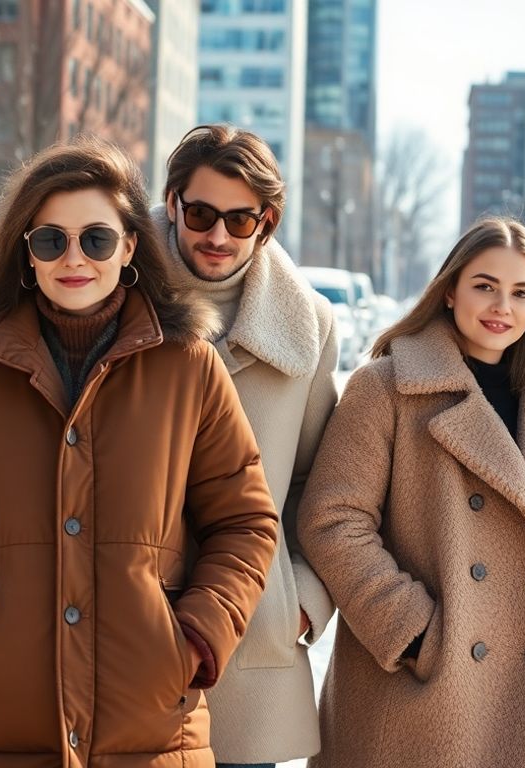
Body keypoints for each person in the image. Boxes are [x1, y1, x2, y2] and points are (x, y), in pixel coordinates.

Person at [0, 137, 279, 767]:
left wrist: (195, 636)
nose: (74, 257)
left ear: (128, 248)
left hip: (153, 733)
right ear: (26, 253)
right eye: (50, 240)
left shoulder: (190, 366)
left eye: (95, 238)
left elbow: (246, 523)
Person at [298, 218, 525, 768]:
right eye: (485, 285)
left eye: (521, 292)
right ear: (451, 289)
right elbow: (332, 520)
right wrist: (414, 631)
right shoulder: (387, 386)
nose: (502, 305)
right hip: (420, 694)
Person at [153, 124, 338, 768]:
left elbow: (321, 482)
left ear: (268, 221)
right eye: (201, 213)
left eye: (240, 219)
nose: (218, 236)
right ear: (172, 201)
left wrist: (303, 604)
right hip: (121, 629)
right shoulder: (111, 291)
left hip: (245, 644)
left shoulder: (309, 323)